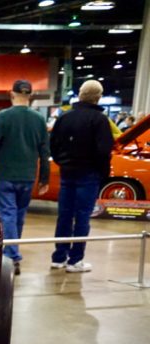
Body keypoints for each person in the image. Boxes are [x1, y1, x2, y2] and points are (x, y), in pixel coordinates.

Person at [0, 79, 50, 275]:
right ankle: (13, 249)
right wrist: (44, 178)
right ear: (30, 95)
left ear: (12, 94)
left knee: (8, 214)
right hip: (28, 176)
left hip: (5, 175)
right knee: (19, 215)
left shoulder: (2, 117)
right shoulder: (39, 120)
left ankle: (11, 256)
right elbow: (44, 151)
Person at [48, 79, 114, 274]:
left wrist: (63, 162)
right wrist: (102, 172)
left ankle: (58, 257)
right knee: (83, 217)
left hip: (67, 172)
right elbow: (104, 150)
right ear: (98, 97)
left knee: (64, 215)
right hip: (89, 174)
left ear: (80, 94)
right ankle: (75, 260)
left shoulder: (64, 118)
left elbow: (54, 145)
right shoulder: (100, 120)